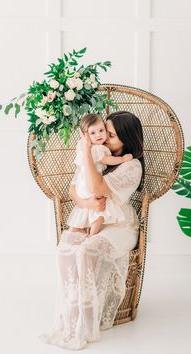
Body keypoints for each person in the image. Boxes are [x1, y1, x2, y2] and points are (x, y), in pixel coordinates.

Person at [39, 111, 145, 350]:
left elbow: (97, 186)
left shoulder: (131, 165)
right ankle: (70, 315)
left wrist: (87, 151)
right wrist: (87, 204)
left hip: (119, 226)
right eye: (103, 131)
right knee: (66, 246)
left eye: (112, 134)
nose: (104, 137)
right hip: (92, 216)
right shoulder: (101, 155)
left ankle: (88, 323)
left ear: (127, 139)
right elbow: (74, 188)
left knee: (88, 250)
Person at [67, 113, 133, 237]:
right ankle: (92, 234)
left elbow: (73, 187)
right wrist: (123, 159)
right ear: (85, 135)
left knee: (87, 210)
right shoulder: (97, 149)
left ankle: (75, 229)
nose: (100, 135)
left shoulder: (83, 149)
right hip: (89, 186)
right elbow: (108, 160)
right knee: (100, 211)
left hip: (81, 188)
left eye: (102, 130)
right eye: (93, 133)